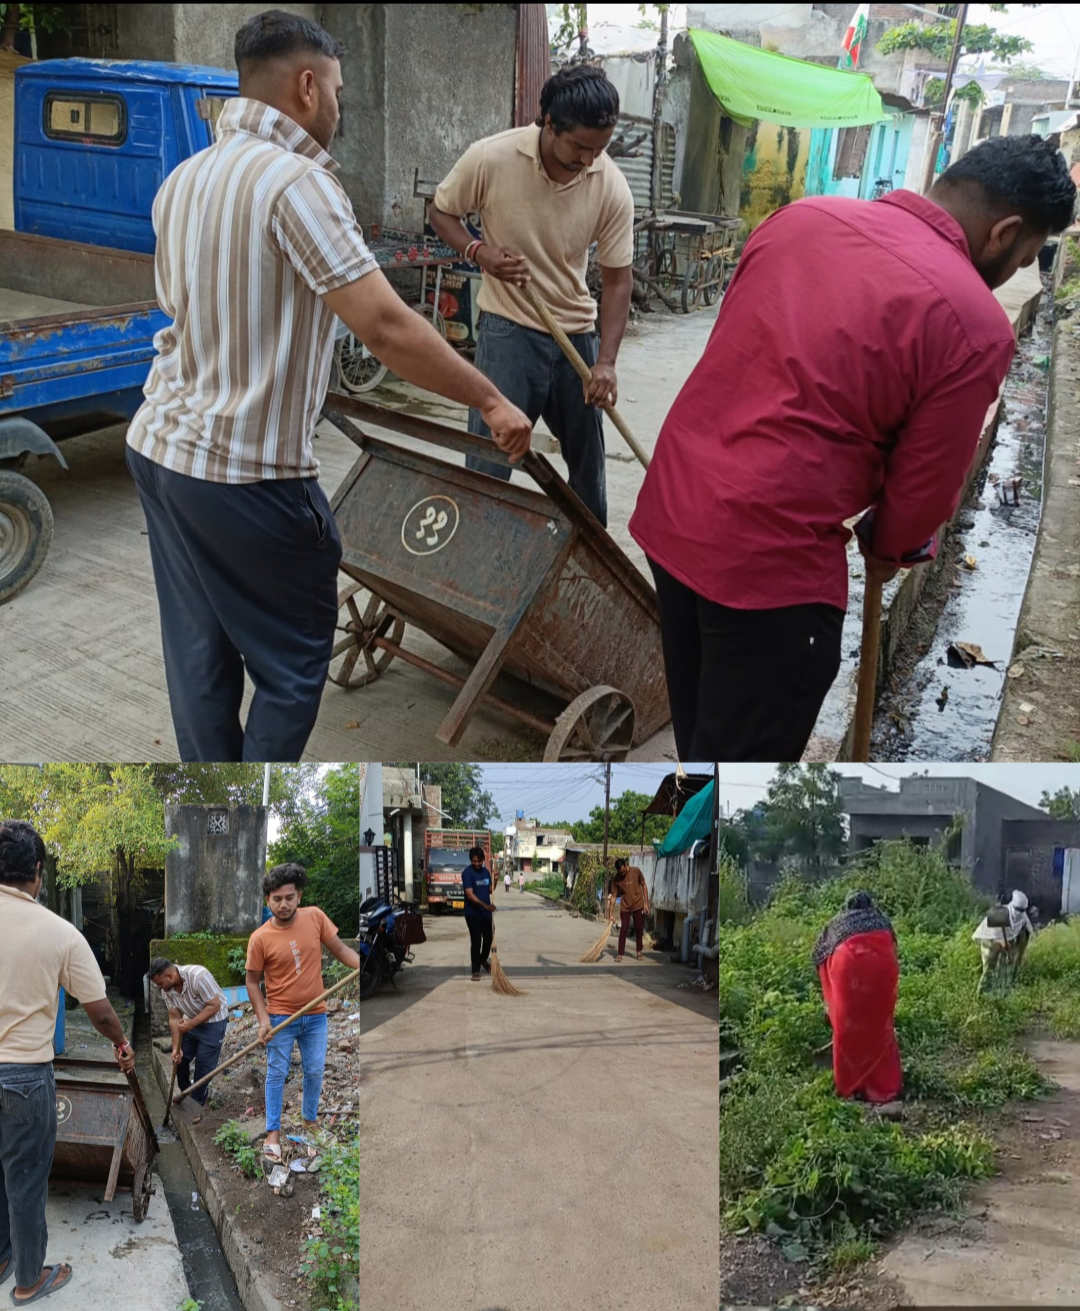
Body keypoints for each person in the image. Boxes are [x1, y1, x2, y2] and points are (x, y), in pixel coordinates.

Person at [125, 10, 532, 764]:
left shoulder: (184, 178)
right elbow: (384, 325)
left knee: (198, 655)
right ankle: (254, 804)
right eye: (338, 90)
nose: (341, 107)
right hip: (246, 474)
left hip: (159, 449)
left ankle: (220, 799)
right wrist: (488, 397)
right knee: (291, 668)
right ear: (306, 87)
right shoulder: (298, 184)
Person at [629, 135, 1077, 761]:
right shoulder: (972, 322)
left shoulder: (800, 219)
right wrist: (891, 546)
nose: (1022, 270)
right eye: (1031, 254)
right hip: (769, 567)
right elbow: (923, 492)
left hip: (673, 517)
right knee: (744, 771)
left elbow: (743, 356)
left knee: (705, 740)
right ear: (1005, 231)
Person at [429, 64, 634, 527]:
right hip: (507, 331)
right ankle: (476, 552)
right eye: (579, 146)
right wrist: (478, 251)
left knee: (587, 471)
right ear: (547, 122)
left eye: (599, 148)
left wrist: (606, 362)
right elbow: (442, 213)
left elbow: (618, 280)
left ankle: (590, 566)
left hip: (575, 335)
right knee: (489, 462)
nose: (588, 160)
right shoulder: (491, 158)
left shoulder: (611, 183)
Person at [0, 820, 135, 1307]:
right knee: (26, 1179)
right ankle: (30, 1279)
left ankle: (1, 1257)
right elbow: (98, 1009)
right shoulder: (60, 933)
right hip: (24, 1077)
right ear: (37, 870)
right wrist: (122, 1043)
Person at [245, 861, 360, 1160]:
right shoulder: (259, 938)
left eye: (289, 898)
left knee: (314, 1069)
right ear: (267, 900)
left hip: (316, 1016)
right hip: (281, 1018)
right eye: (277, 899)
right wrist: (262, 1021)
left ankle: (310, 1121)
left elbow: (341, 950)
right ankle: (272, 1133)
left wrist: (363, 964)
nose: (283, 905)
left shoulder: (315, 918)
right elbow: (252, 982)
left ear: (299, 896)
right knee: (277, 1072)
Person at [812, 891, 902, 1105]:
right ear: (871, 905)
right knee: (879, 1028)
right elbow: (894, 951)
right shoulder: (882, 921)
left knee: (847, 1029)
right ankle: (883, 1086)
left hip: (847, 974)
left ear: (847, 906)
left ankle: (849, 1085)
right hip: (880, 972)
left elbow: (818, 956)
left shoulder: (836, 924)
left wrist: (830, 999)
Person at [148, 957, 229, 1122]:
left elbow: (214, 1005)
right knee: (180, 1060)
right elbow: (174, 1017)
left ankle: (197, 1104)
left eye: (159, 983)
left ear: (169, 976)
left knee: (203, 1068)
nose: (158, 988)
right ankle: (186, 1093)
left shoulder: (199, 976)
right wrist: (176, 1048)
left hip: (214, 1022)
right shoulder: (167, 990)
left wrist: (191, 1024)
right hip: (191, 1020)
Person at [972, 889, 1034, 995]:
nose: (1019, 913)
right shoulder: (998, 914)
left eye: (1022, 910)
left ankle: (1002, 993)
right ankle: (982, 994)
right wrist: (1000, 943)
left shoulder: (1022, 916)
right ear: (1012, 906)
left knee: (1006, 970)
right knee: (989, 970)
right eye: (1018, 910)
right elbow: (988, 935)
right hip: (991, 944)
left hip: (1009, 946)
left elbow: (1027, 930)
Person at [461, 846, 496, 981]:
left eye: (479, 861)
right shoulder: (467, 873)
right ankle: (475, 969)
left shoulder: (486, 872)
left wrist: (496, 879)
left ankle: (483, 959)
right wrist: (486, 906)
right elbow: (469, 895)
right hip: (473, 914)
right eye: (474, 861)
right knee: (476, 941)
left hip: (486, 914)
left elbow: (490, 890)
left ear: (483, 860)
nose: (476, 864)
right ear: (471, 860)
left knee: (489, 938)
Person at [608, 857, 649, 962]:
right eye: (620, 872)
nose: (622, 874)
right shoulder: (616, 878)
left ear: (626, 865)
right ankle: (620, 954)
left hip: (638, 904)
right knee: (623, 929)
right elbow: (613, 896)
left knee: (639, 928)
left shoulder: (636, 871)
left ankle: (639, 952)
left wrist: (646, 903)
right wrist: (610, 913)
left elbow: (643, 885)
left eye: (623, 871)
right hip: (625, 906)